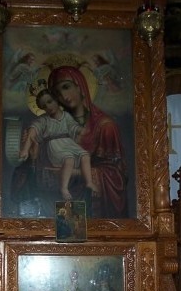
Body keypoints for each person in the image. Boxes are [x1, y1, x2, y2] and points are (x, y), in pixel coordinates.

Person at [48, 65, 128, 217]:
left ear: (80, 86)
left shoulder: (105, 126)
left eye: (66, 87)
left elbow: (116, 176)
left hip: (92, 207)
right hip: (60, 204)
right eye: (57, 93)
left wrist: (76, 173)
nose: (64, 96)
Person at [19, 87, 98, 200]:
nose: (48, 107)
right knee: (69, 158)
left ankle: (89, 182)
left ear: (56, 100)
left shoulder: (66, 116)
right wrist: (25, 149)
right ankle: (64, 188)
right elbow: (32, 131)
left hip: (68, 143)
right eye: (44, 106)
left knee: (85, 155)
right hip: (55, 145)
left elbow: (73, 127)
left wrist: (81, 130)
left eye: (50, 102)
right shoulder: (44, 121)